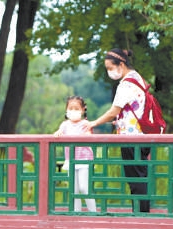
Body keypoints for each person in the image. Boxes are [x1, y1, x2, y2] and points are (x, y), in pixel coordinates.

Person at [85, 48, 150, 213]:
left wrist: (93, 123)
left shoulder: (126, 83)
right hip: (142, 134)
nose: (109, 72)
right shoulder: (137, 78)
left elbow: (113, 111)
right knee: (140, 175)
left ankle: (140, 214)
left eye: (110, 68)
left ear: (121, 64)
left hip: (131, 137)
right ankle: (142, 211)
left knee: (135, 178)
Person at [54, 96, 97, 213]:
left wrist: (84, 135)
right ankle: (76, 212)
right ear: (66, 110)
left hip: (84, 159)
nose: (73, 111)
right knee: (74, 188)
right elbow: (59, 132)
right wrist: (58, 133)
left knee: (84, 187)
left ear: (83, 110)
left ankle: (93, 212)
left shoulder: (85, 123)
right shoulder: (65, 124)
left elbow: (89, 135)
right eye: (70, 108)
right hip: (71, 159)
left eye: (76, 108)